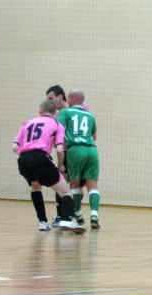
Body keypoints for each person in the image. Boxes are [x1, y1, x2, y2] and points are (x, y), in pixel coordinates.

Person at [12, 99, 85, 234]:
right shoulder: (57, 124)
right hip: (41, 158)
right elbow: (59, 149)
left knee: (35, 187)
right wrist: (59, 166)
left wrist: (26, 157)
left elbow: (14, 147)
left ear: (40, 111)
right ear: (55, 112)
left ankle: (42, 222)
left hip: (24, 160)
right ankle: (65, 220)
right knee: (65, 192)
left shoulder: (27, 123)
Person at [46, 85, 90, 227]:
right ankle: (62, 216)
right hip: (64, 152)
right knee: (62, 183)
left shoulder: (82, 108)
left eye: (51, 98)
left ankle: (73, 212)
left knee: (78, 186)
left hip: (78, 151)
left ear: (60, 96)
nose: (50, 102)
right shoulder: (56, 116)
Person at [57, 90, 101, 229]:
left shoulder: (66, 112)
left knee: (74, 184)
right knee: (93, 185)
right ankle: (94, 216)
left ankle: (78, 215)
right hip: (92, 150)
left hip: (75, 149)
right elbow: (94, 136)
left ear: (71, 99)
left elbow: (58, 129)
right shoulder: (90, 115)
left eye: (68, 98)